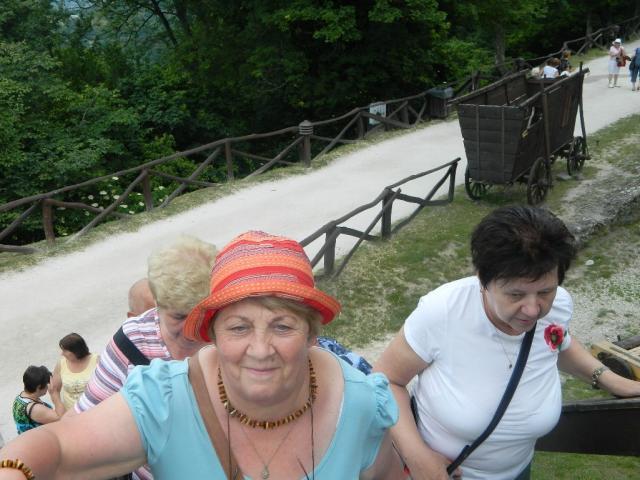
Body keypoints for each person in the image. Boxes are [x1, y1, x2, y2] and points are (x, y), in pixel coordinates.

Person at [0, 231, 405, 479]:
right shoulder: (162, 398)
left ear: (312, 333)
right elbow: (59, 445)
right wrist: (14, 470)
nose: (260, 349)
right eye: (239, 327)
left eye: (283, 326)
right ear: (212, 333)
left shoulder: (360, 403)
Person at [374, 206, 640, 480]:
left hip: (518, 471)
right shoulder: (443, 313)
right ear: (483, 280)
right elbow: (385, 381)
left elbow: (558, 342)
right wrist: (416, 456)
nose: (533, 309)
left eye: (545, 291)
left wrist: (611, 380)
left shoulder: (559, 305)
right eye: (516, 294)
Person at [68, 235, 216, 480]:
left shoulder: (234, 331)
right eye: (179, 317)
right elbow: (82, 420)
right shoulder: (133, 340)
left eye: (203, 316)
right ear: (157, 303)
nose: (192, 329)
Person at [49, 333, 98, 415]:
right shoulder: (61, 364)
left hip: (94, 412)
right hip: (71, 414)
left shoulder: (96, 361)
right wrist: (62, 412)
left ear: (76, 351)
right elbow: (54, 390)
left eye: (65, 351)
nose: (62, 354)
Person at [12, 366, 62, 434]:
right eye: (46, 384)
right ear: (38, 387)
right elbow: (61, 418)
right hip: (39, 439)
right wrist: (55, 393)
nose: (48, 386)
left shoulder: (20, 397)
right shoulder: (35, 409)